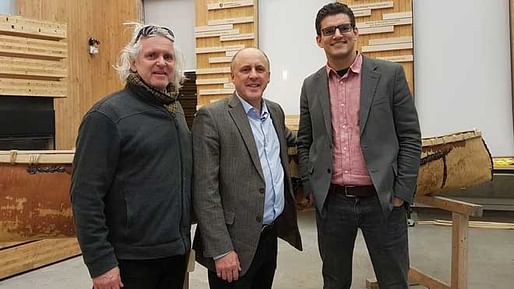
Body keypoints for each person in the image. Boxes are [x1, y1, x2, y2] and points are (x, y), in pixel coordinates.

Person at [297, 3, 422, 289]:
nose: (337, 34)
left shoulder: (389, 75)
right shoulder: (310, 85)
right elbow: (306, 141)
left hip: (383, 201)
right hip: (333, 201)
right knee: (335, 281)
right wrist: (312, 186)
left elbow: (410, 136)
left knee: (393, 280)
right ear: (319, 40)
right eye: (329, 30)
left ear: (356, 32)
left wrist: (402, 193)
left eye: (344, 28)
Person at [70, 23, 192, 289]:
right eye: (152, 56)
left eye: (168, 57)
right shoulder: (106, 116)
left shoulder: (175, 110)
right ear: (133, 63)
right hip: (130, 263)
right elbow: (85, 196)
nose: (161, 63)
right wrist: (101, 264)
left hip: (175, 254)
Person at [192, 47, 302, 289]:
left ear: (269, 76)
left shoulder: (275, 111)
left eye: (260, 69)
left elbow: (291, 140)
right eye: (245, 69)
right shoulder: (212, 117)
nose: (253, 75)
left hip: (268, 235)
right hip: (232, 242)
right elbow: (204, 191)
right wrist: (221, 250)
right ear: (233, 76)